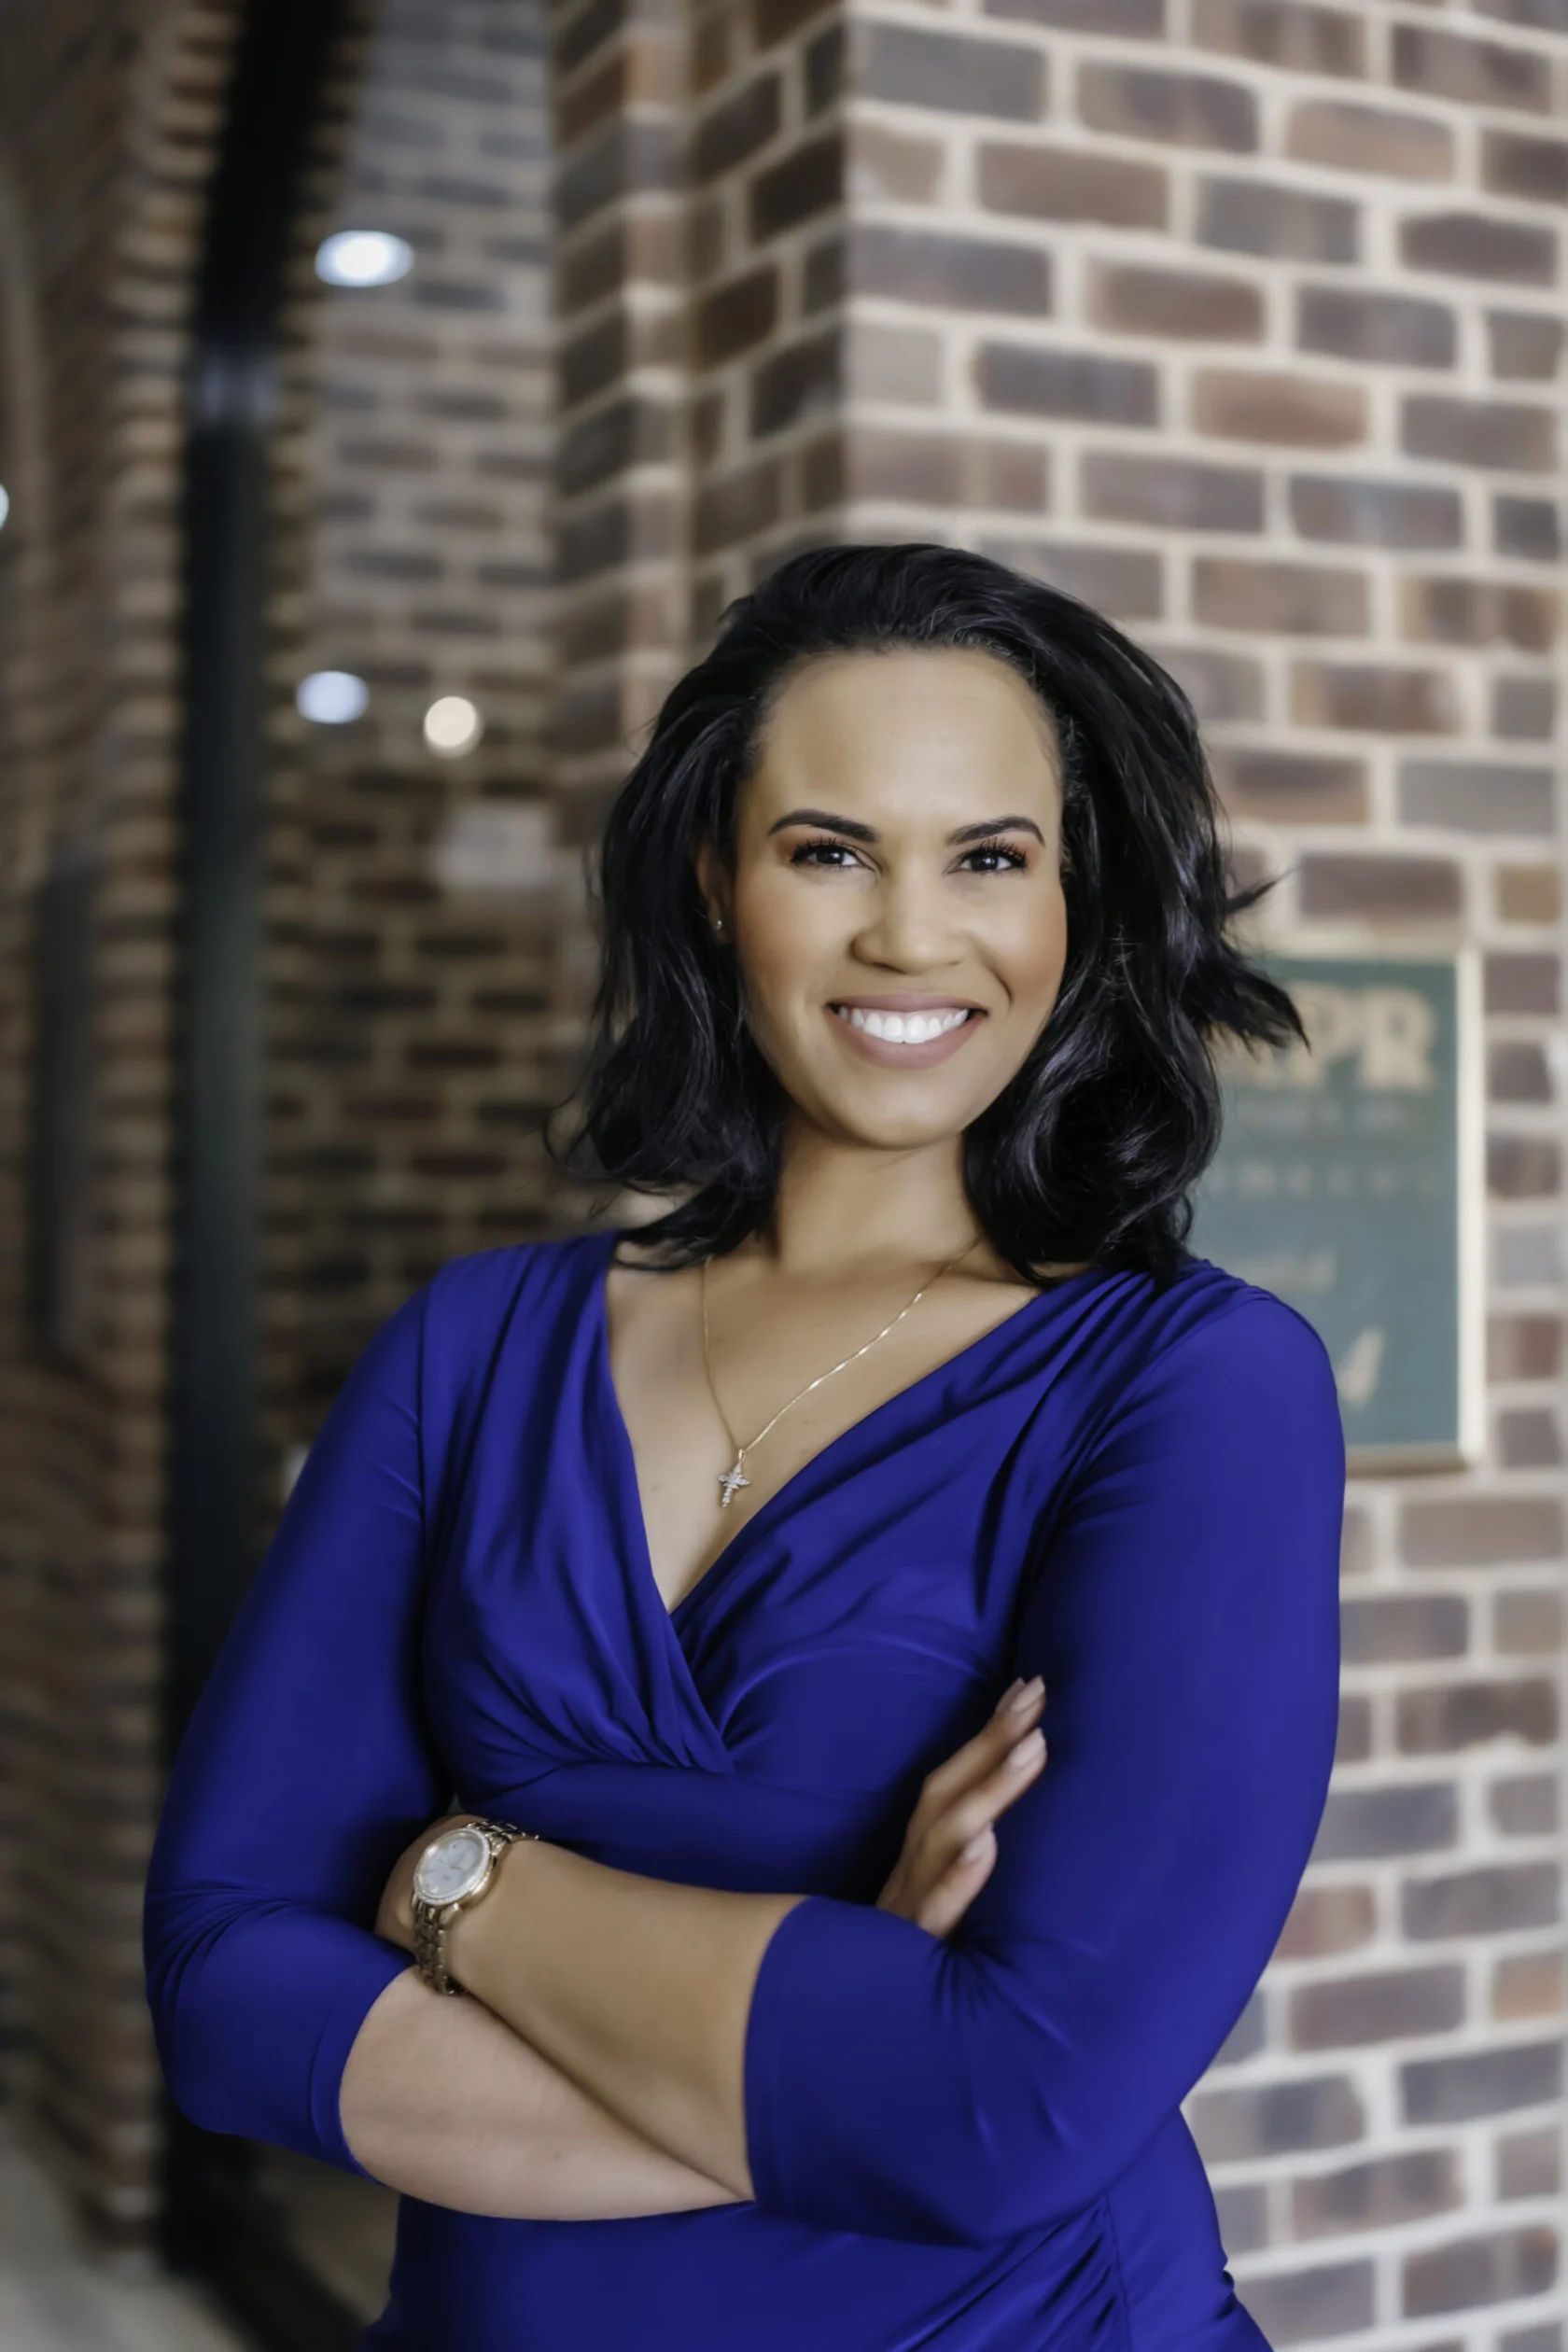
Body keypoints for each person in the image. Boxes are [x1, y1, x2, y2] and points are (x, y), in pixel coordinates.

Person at [144, 542, 1346, 2349]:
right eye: (830, 849)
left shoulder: (1194, 1389)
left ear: (1076, 908)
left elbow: (1001, 2113)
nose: (911, 936)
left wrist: (454, 1883)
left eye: (991, 860)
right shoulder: (475, 1347)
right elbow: (225, 1986)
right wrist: (824, 2015)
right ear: (717, 883)